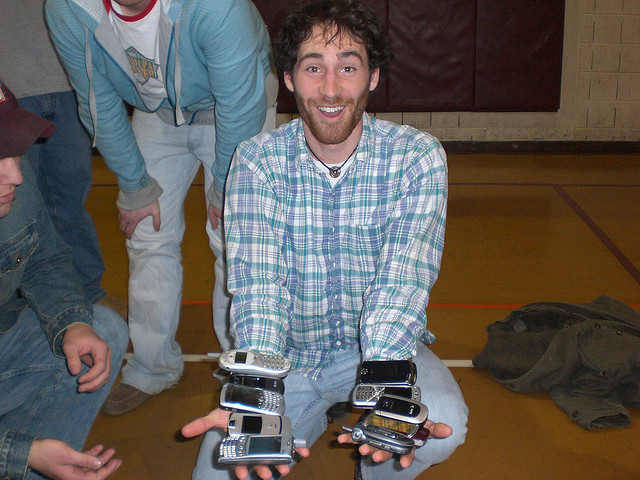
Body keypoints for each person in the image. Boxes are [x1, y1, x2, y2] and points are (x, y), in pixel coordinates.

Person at [181, 1, 468, 479]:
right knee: (222, 469)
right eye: (313, 67)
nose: (331, 89)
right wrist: (258, 396)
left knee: (439, 427)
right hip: (288, 358)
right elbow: (258, 289)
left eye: (348, 68)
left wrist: (386, 384)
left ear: (373, 77)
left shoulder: (416, 158)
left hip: (376, 350)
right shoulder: (255, 161)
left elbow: (402, 282)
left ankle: (374, 468)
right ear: (289, 79)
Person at [45, 0, 278, 415]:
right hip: (157, 109)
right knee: (147, 234)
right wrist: (135, 185)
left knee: (236, 243)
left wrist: (227, 190)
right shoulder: (68, 8)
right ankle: (152, 367)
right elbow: (96, 99)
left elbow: (241, 104)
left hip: (236, 104)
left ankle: (243, 367)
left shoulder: (216, 7)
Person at [0, 81, 129, 480]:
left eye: (14, 152)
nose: (16, 175)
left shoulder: (14, 182)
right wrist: (20, 453)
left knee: (102, 328)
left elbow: (46, 258)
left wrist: (71, 323)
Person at [0, 0, 126, 318]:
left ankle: (87, 291)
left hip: (70, 82)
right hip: (11, 86)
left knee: (69, 201)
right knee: (16, 204)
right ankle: (16, 301)